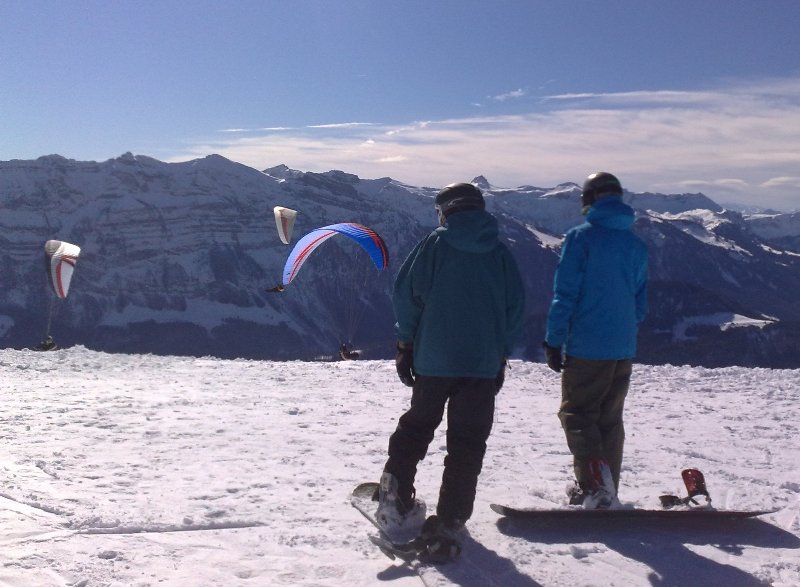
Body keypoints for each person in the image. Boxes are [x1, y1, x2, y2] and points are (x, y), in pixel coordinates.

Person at [377, 182, 526, 561]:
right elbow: (515, 309)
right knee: (468, 442)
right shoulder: (500, 253)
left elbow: (406, 296)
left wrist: (405, 344)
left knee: (416, 427)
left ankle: (394, 497)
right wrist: (499, 354)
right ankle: (451, 520)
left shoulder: (434, 245)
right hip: (481, 365)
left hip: (434, 360)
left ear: (445, 211)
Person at [543, 172, 648, 509]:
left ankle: (595, 487)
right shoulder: (636, 244)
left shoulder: (580, 238)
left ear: (589, 200)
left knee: (577, 414)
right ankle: (606, 488)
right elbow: (640, 303)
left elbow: (565, 294)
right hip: (623, 346)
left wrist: (554, 339)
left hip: (588, 346)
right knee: (609, 420)